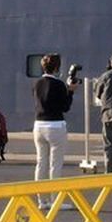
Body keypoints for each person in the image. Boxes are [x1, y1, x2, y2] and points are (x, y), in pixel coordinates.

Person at [33, 53, 79, 203]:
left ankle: (41, 200)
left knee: (41, 163)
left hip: (39, 125)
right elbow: (65, 107)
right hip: (55, 125)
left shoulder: (37, 84)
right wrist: (70, 90)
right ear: (57, 67)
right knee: (55, 164)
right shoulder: (59, 85)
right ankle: (55, 200)